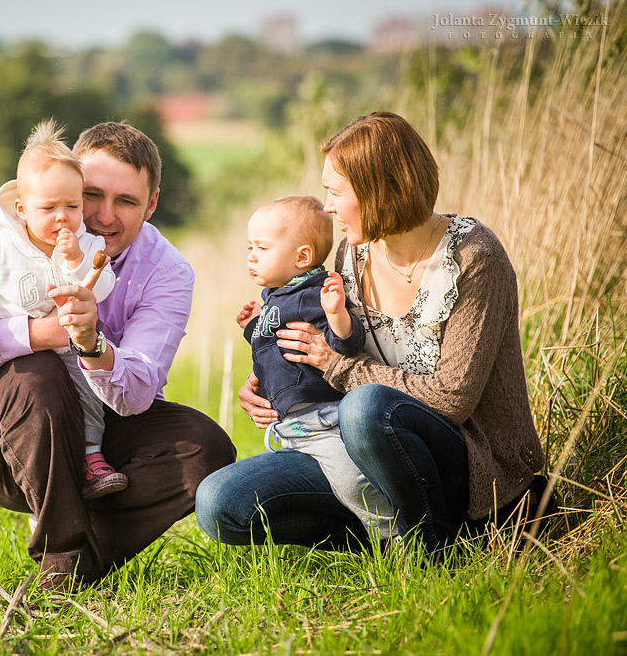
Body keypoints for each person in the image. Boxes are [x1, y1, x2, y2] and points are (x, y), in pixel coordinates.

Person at [196, 111, 545, 553]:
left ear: (378, 190)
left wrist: (336, 366)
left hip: (469, 467)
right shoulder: (351, 256)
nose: (326, 206)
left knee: (363, 409)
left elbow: (452, 400)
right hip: (362, 455)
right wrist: (276, 377)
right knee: (220, 504)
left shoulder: (474, 258)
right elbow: (332, 343)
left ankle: (431, 552)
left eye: (335, 192)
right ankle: (387, 534)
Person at [0, 121, 236, 588]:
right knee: (38, 374)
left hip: (103, 439)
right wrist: (38, 334)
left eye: (126, 201)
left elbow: (139, 392)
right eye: (92, 195)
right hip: (8, 442)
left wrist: (91, 343)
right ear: (68, 185)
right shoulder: (6, 238)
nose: (103, 216)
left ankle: (81, 553)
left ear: (152, 204)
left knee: (205, 451)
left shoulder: (167, 271)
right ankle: (61, 553)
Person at [0, 120, 128, 500]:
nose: (62, 217)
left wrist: (78, 259)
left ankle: (91, 456)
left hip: (67, 349)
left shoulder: (85, 243)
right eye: (49, 208)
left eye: (72, 206)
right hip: (4, 350)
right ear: (22, 208)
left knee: (87, 392)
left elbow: (104, 284)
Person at [238, 195, 396, 539]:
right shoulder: (274, 298)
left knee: (352, 483)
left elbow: (346, 343)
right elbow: (276, 346)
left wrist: (337, 314)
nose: (250, 256)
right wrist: (252, 327)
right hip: (292, 428)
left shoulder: (315, 294)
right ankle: (358, 535)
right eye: (249, 246)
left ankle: (396, 539)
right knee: (339, 488)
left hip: (323, 420)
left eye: (261, 248)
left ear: (303, 256)